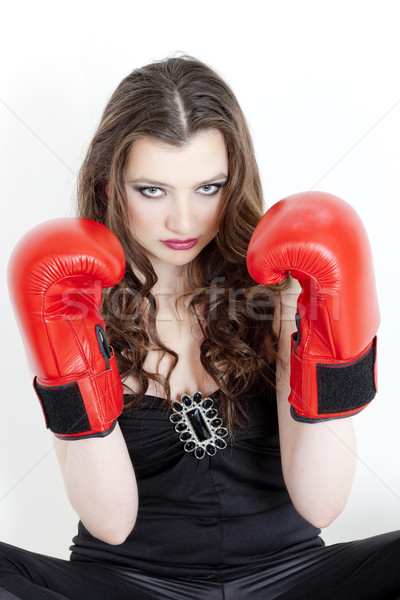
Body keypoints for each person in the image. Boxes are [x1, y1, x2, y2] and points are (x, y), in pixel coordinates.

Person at [2, 55, 400, 599]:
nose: (184, 221)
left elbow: (321, 503)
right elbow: (110, 521)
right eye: (152, 190)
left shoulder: (283, 288)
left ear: (234, 182)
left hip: (291, 579)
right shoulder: (70, 299)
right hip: (126, 584)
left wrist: (330, 339)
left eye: (208, 187)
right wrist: (71, 346)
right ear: (107, 184)